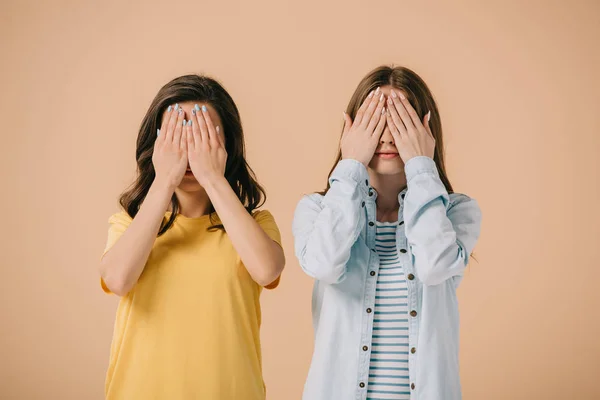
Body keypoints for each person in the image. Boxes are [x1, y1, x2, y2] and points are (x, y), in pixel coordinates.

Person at [292, 65, 482, 400]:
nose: (387, 135)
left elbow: (435, 266)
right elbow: (322, 264)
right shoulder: (317, 209)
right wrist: (350, 165)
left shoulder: (456, 212)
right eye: (375, 119)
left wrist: (422, 165)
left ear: (426, 128)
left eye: (400, 119)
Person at [98, 75, 285, 400]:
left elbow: (267, 270)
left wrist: (211, 176)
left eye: (202, 136)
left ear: (226, 144)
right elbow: (117, 279)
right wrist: (165, 179)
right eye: (176, 136)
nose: (189, 149)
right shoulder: (127, 224)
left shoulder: (255, 225)